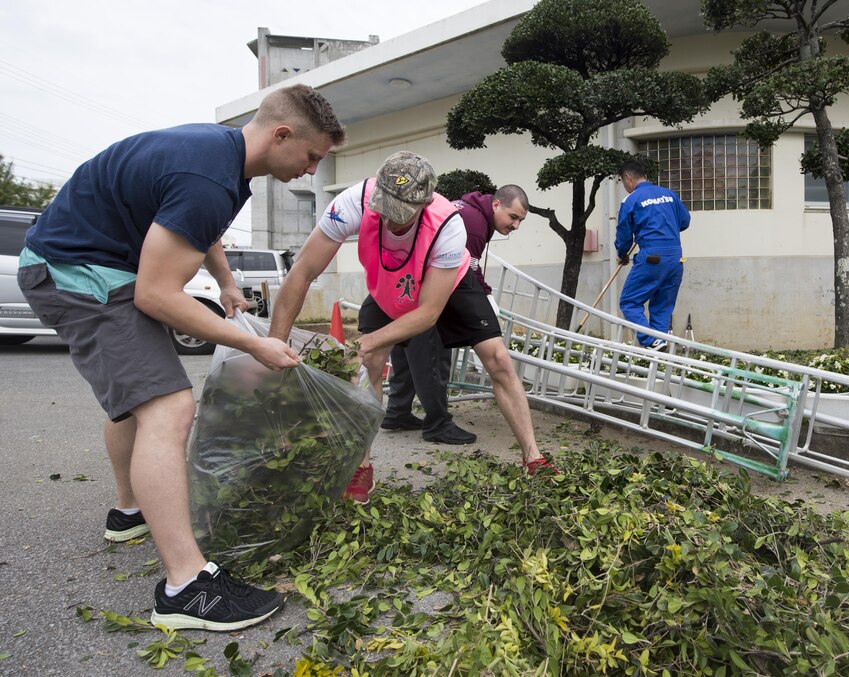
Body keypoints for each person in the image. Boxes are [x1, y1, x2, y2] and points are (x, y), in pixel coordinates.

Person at [18, 84, 346, 632]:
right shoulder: (210, 177)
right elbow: (156, 294)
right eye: (312, 157)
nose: (311, 172)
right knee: (168, 406)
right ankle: (185, 587)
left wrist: (225, 282)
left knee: (136, 398)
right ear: (282, 135)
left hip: (85, 261)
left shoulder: (222, 157)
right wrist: (251, 342)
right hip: (79, 271)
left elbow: (196, 226)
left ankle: (130, 511)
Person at [270, 152, 553, 505]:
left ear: (423, 203)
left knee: (497, 359)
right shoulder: (353, 202)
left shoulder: (449, 224)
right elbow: (302, 272)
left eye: (400, 212)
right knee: (371, 364)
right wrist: (274, 345)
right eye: (385, 208)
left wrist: (367, 340)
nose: (390, 218)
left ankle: (533, 458)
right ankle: (361, 467)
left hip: (446, 283)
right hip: (390, 282)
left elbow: (428, 314)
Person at [380, 184, 530, 446]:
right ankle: (438, 424)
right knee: (432, 351)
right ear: (496, 205)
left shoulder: (465, 210)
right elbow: (465, 270)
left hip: (405, 280)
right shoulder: (473, 223)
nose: (516, 226)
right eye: (513, 217)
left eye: (520, 220)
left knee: (405, 348)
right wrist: (485, 299)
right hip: (426, 286)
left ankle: (398, 412)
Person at [614, 159, 690, 351]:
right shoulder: (669, 195)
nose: (625, 187)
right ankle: (658, 349)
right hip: (675, 258)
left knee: (629, 302)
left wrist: (622, 254)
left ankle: (649, 340)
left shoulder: (630, 200)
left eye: (623, 182)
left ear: (628, 178)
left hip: (652, 257)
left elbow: (624, 235)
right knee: (662, 306)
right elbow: (685, 221)